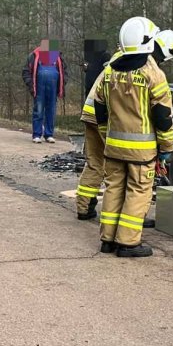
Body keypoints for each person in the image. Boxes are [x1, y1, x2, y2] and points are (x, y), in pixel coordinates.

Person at [92, 17, 173, 258]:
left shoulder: (109, 70)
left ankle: (108, 240)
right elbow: (163, 116)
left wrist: (105, 136)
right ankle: (128, 243)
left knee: (113, 189)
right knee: (138, 192)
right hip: (141, 151)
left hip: (113, 147)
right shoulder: (153, 74)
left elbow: (99, 107)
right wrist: (167, 147)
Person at [75, 47, 122, 221]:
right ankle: (121, 211)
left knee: (94, 163)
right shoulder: (134, 64)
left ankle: (84, 207)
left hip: (90, 112)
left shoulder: (115, 61)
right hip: (103, 117)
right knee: (117, 166)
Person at [22, 39, 65, 143]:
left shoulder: (58, 58)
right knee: (39, 110)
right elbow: (26, 72)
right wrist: (31, 85)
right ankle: (37, 135)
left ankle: (49, 134)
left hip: (53, 89)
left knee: (51, 111)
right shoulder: (34, 56)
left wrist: (62, 85)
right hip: (39, 89)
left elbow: (64, 73)